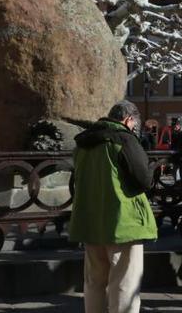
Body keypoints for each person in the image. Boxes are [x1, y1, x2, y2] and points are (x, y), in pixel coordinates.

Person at [68, 100, 157, 313]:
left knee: (93, 282)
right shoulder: (124, 139)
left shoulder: (84, 143)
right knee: (124, 283)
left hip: (90, 221)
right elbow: (143, 179)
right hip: (123, 222)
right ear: (128, 120)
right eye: (134, 125)